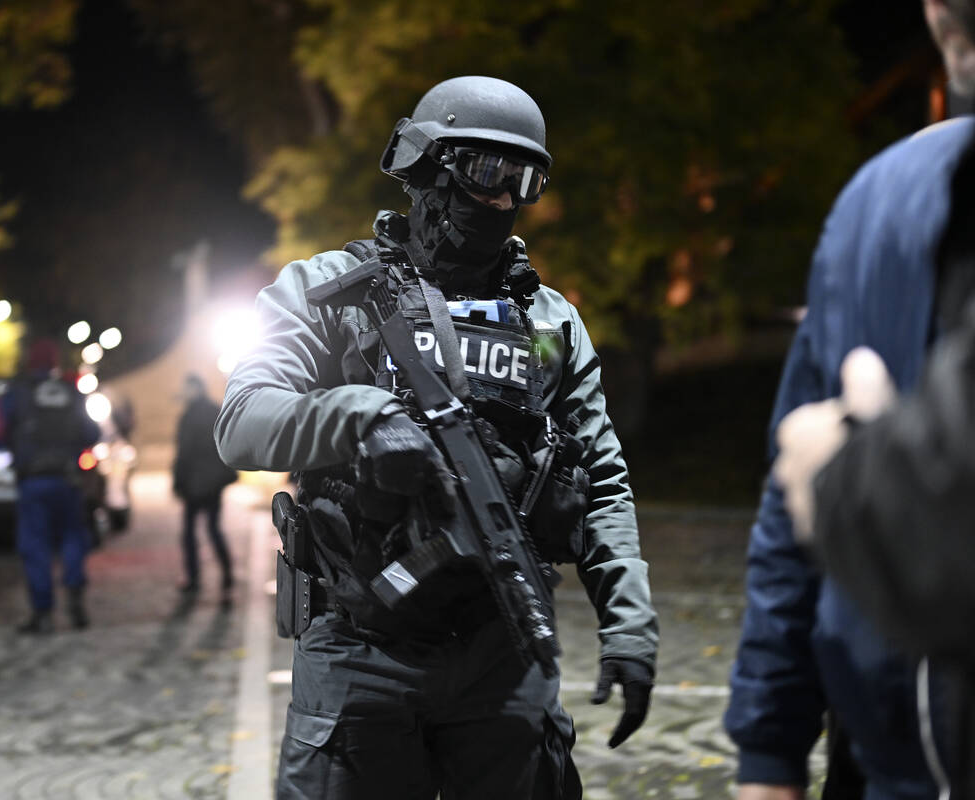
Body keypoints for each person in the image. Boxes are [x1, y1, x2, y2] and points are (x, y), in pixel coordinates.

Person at [215, 75, 658, 799]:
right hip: (361, 646)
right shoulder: (331, 291)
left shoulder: (548, 323)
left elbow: (601, 478)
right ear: (427, 168)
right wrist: (360, 417)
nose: (504, 200)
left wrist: (630, 625)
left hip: (505, 647)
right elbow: (242, 422)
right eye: (487, 172)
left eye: (524, 179)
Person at [725, 2, 975, 797]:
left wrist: (855, 480)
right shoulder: (881, 197)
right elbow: (790, 495)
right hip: (882, 762)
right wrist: (769, 746)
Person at [0, 337, 101, 634]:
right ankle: (75, 597)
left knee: (35, 545)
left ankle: (44, 612)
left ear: (29, 362)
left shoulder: (15, 396)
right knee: (73, 539)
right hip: (68, 481)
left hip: (33, 483)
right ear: (55, 362)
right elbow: (92, 432)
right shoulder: (71, 393)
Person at [172, 374, 236, 593]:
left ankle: (193, 577)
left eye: (187, 387)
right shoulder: (215, 409)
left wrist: (178, 481)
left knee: (190, 532)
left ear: (196, 388)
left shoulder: (189, 416)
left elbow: (184, 452)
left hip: (194, 483)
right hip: (214, 481)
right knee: (213, 528)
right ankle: (227, 573)